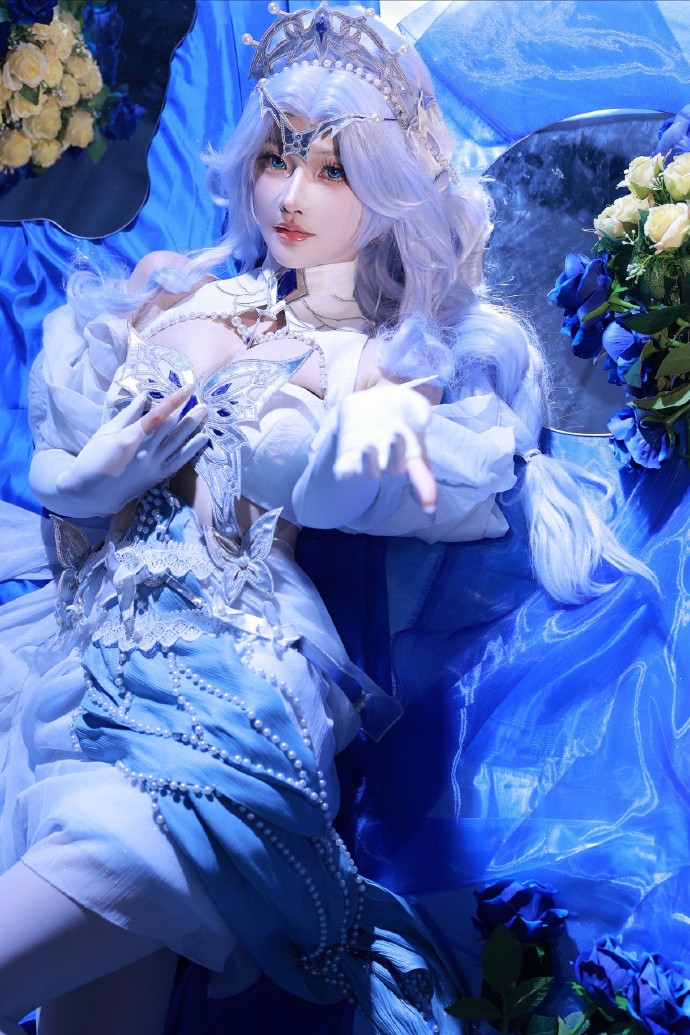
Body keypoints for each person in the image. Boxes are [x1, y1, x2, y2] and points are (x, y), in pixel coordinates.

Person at [0, 4, 650, 1034]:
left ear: (391, 191)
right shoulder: (176, 294)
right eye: (277, 157)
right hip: (82, 670)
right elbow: (61, 476)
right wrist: (93, 475)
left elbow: (366, 489)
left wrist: (346, 442)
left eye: (334, 169)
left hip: (225, 680)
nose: (291, 193)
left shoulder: (389, 360)